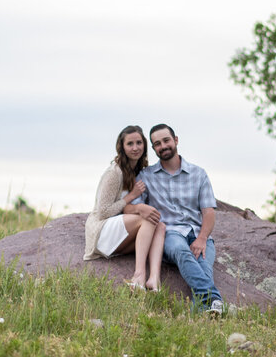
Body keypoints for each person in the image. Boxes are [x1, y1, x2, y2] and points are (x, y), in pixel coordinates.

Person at [141, 123, 224, 313]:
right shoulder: (146, 176)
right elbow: (132, 205)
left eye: (166, 140)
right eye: (157, 144)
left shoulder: (198, 174)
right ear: (154, 149)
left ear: (176, 140)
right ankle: (216, 299)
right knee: (181, 250)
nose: (163, 146)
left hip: (198, 233)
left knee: (204, 266)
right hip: (170, 234)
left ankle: (201, 312)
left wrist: (202, 239)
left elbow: (209, 212)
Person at [84, 125, 167, 291]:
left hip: (119, 232)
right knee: (147, 219)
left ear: (144, 145)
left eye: (138, 143)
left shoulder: (138, 170)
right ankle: (138, 276)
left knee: (160, 226)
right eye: (130, 144)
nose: (135, 148)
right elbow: (103, 212)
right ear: (121, 147)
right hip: (101, 231)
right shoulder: (115, 173)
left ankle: (154, 279)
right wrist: (133, 197)